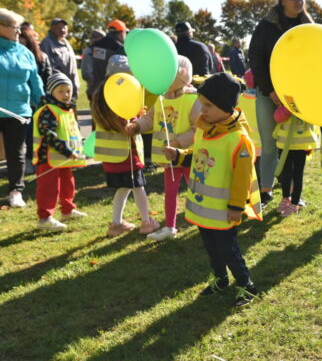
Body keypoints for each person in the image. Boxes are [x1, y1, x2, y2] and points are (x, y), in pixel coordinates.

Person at [165, 73, 262, 307]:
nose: (202, 110)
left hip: (225, 210)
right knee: (211, 248)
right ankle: (220, 278)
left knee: (228, 250)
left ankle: (246, 285)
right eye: (202, 103)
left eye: (208, 105)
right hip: (203, 209)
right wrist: (179, 156)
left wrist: (236, 207)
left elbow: (242, 178)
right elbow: (198, 156)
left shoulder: (238, 139)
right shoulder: (205, 128)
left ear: (226, 106)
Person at [248, 0, 314, 206]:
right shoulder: (266, 27)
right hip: (269, 95)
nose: (299, 1)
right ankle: (266, 190)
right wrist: (269, 90)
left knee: (294, 148)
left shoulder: (308, 27)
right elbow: (256, 60)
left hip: (298, 97)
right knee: (269, 145)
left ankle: (293, 194)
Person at [125, 56, 200, 241]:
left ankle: (205, 221)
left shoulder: (193, 99)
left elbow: (198, 128)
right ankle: (170, 226)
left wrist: (177, 143)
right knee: (170, 193)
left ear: (181, 74)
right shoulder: (161, 98)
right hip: (168, 159)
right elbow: (150, 118)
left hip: (189, 157)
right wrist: (137, 126)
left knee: (198, 190)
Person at [91, 64, 160, 237]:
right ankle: (146, 222)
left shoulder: (102, 102)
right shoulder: (118, 105)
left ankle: (116, 224)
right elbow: (127, 128)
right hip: (126, 157)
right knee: (139, 187)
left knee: (123, 189)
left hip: (112, 159)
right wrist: (139, 118)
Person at [32, 72, 88, 230]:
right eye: (61, 91)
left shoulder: (66, 109)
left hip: (63, 158)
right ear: (51, 92)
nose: (66, 95)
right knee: (48, 187)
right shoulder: (48, 110)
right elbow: (48, 133)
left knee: (67, 183)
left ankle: (68, 209)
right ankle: (45, 218)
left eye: (68, 90)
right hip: (48, 157)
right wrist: (66, 150)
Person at [0, 8, 44, 208]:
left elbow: (35, 81)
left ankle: (15, 191)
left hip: (19, 110)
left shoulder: (24, 52)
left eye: (18, 27)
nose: (19, 31)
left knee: (16, 152)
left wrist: (41, 102)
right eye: (14, 27)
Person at [19, 22, 53, 174]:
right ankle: (27, 162)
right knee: (24, 134)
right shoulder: (16, 56)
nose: (19, 40)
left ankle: (38, 160)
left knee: (37, 133)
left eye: (22, 37)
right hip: (21, 101)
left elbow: (48, 77)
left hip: (39, 101)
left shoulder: (41, 57)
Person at [272, 105, 318, 216]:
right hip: (284, 145)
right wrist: (287, 109)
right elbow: (277, 118)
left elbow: (313, 120)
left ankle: (294, 203)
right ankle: (285, 198)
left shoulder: (306, 104)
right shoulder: (284, 104)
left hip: (300, 146)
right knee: (285, 175)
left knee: (298, 175)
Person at [40, 18, 79, 100]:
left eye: (64, 27)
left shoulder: (66, 43)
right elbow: (47, 67)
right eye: (59, 27)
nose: (62, 30)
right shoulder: (46, 43)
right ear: (52, 29)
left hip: (70, 87)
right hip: (58, 88)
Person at [90, 20, 127, 98]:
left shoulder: (94, 46)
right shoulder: (120, 48)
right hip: (114, 91)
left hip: (96, 90)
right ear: (121, 32)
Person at [80, 29, 105, 100]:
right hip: (95, 90)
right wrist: (94, 83)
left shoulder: (102, 50)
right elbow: (86, 73)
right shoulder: (89, 51)